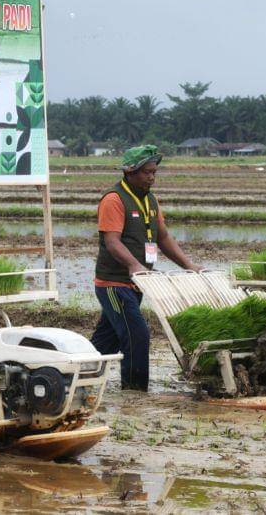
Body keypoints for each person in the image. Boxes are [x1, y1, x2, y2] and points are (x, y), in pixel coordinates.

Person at [91, 145, 201, 391]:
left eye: (154, 172)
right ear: (130, 172)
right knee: (137, 335)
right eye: (146, 172)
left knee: (106, 341)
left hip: (138, 283)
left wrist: (189, 265)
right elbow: (112, 241)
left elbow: (163, 237)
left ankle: (75, 378)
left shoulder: (150, 200)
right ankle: (135, 392)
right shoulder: (114, 199)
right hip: (114, 284)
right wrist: (134, 264)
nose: (152, 177)